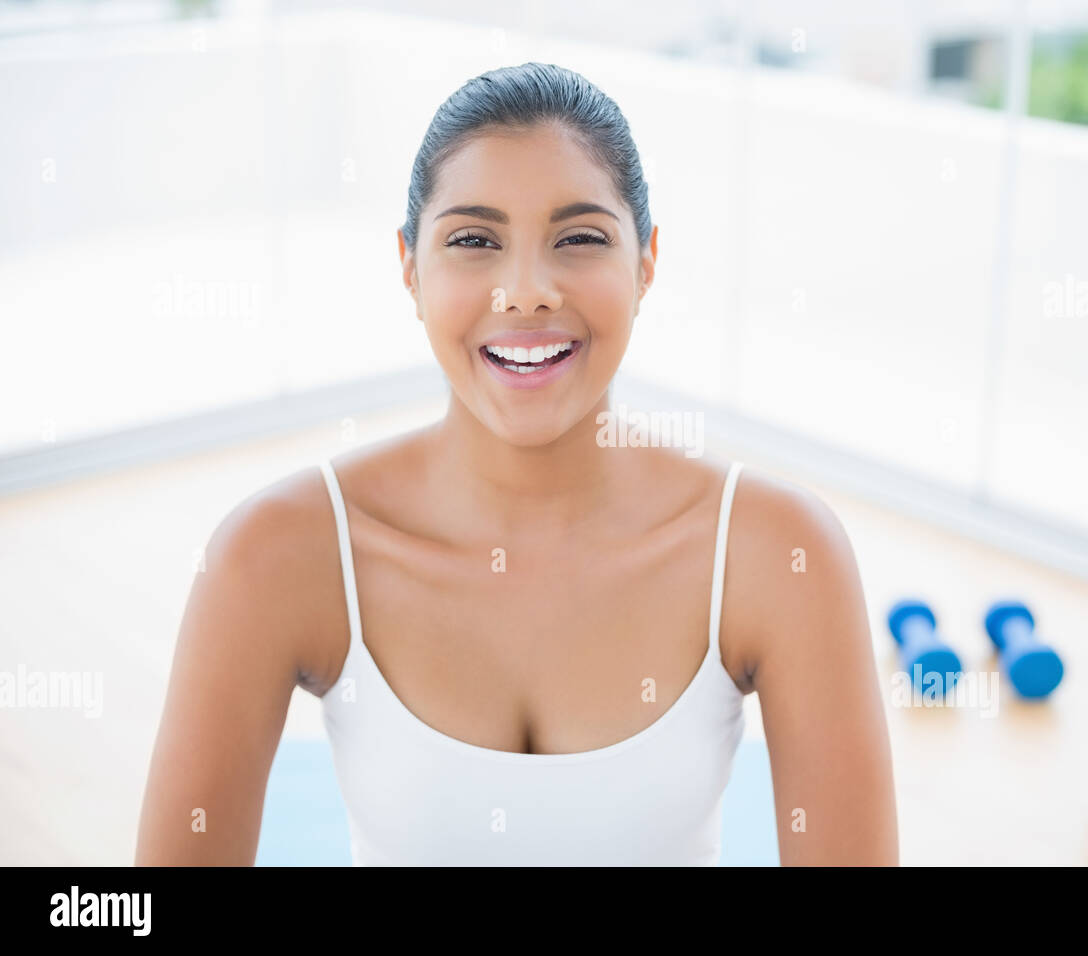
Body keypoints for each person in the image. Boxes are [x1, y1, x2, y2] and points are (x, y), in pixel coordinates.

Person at [134, 62, 897, 866]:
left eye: (579, 238)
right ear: (408, 267)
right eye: (473, 240)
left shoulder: (778, 552)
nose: (525, 292)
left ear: (646, 262)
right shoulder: (274, 554)